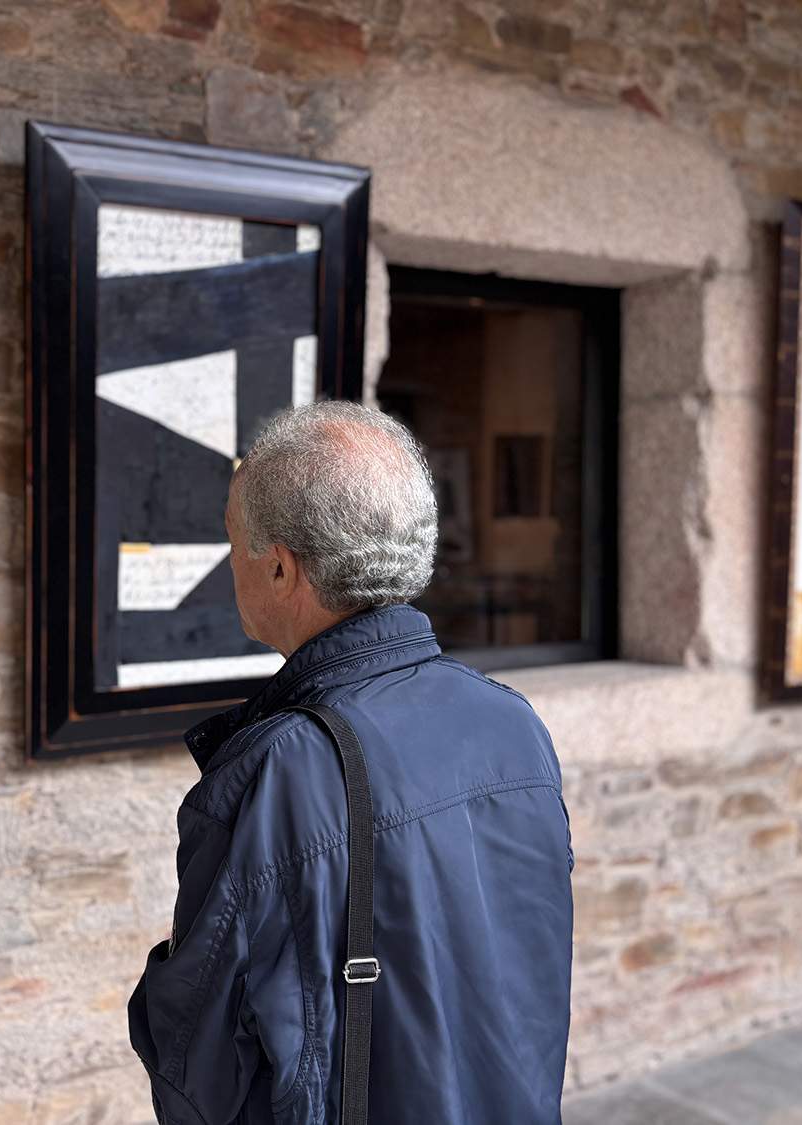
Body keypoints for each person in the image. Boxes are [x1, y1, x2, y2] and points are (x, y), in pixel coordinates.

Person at [127, 400, 574, 1124]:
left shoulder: (279, 771)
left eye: (234, 541)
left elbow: (198, 1077)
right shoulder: (510, 720)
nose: (230, 561)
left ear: (280, 569)